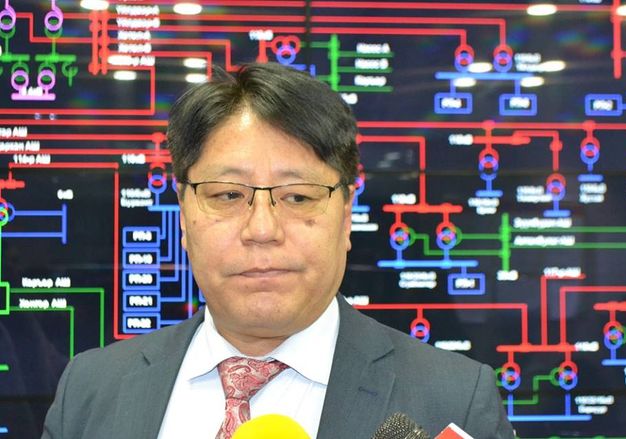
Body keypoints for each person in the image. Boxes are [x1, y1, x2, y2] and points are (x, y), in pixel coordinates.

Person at [42, 62, 514, 438]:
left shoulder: (453, 400)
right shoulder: (91, 389)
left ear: (346, 215)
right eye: (228, 195)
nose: (262, 229)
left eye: (299, 197)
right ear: (184, 214)